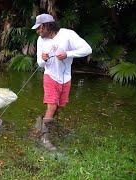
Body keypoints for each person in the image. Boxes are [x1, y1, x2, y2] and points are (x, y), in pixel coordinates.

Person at [31, 14, 92, 150]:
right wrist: (43, 58)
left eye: (40, 28)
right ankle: (45, 138)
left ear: (47, 26)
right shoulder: (40, 40)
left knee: (58, 107)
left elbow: (87, 49)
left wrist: (68, 54)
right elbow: (40, 64)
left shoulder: (67, 34)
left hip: (66, 78)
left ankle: (41, 125)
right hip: (50, 76)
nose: (38, 31)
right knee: (52, 106)